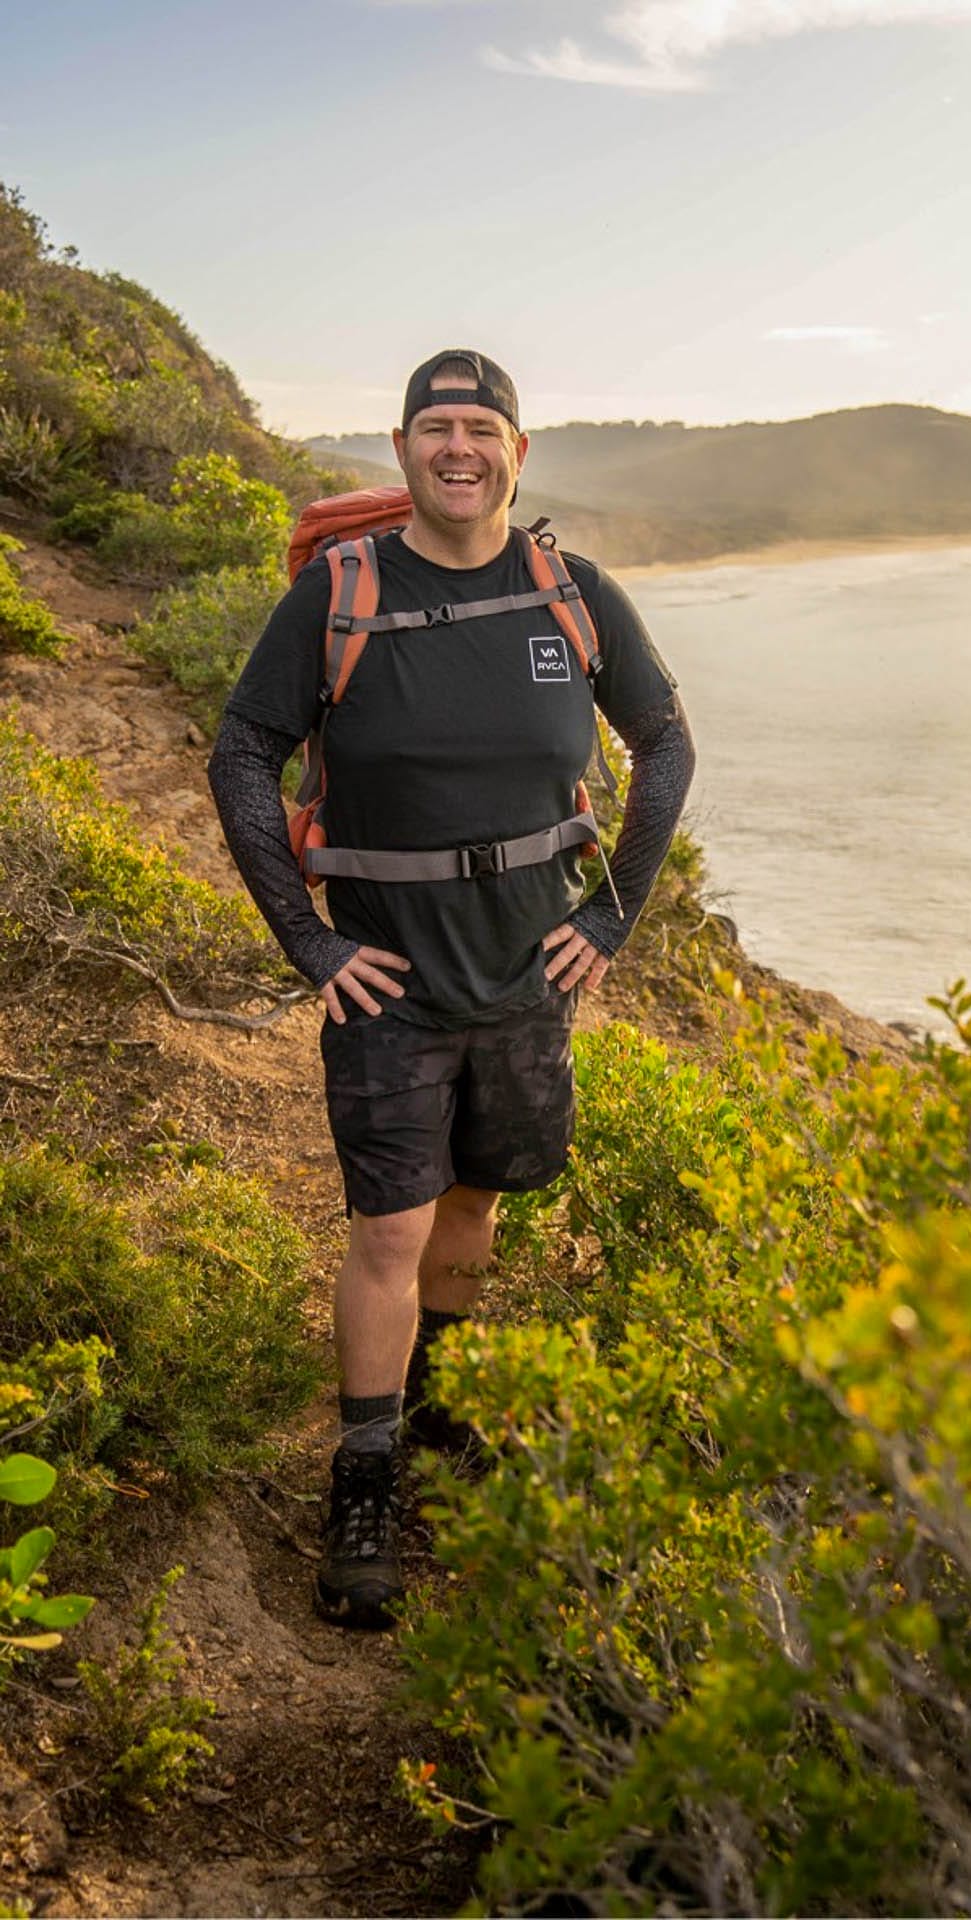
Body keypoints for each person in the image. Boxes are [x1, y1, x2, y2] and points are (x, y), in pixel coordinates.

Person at [207, 349, 695, 1629]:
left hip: (532, 976)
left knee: (476, 1205)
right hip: (391, 985)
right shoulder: (338, 594)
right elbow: (243, 753)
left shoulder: (571, 594)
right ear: (402, 449)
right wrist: (308, 947)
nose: (460, 447)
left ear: (517, 454)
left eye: (484, 428)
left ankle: (444, 1411)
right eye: (437, 429)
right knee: (391, 1227)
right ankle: (364, 1472)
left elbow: (667, 741)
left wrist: (615, 911)